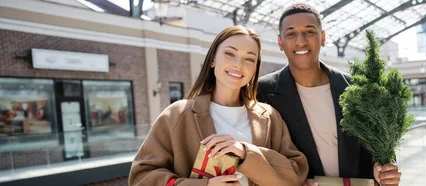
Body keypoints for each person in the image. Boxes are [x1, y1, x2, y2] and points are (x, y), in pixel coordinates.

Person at [129, 25, 308, 186]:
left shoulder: (269, 118)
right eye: (230, 54)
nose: (238, 65)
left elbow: (295, 174)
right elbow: (141, 176)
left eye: (249, 59)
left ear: (255, 69)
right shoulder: (178, 114)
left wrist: (245, 153)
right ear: (213, 59)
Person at [257, 3, 402, 186]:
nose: (300, 41)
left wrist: (385, 168)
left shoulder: (355, 88)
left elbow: (378, 144)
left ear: (323, 37)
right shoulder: (263, 91)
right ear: (280, 42)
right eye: (291, 34)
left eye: (309, 32)